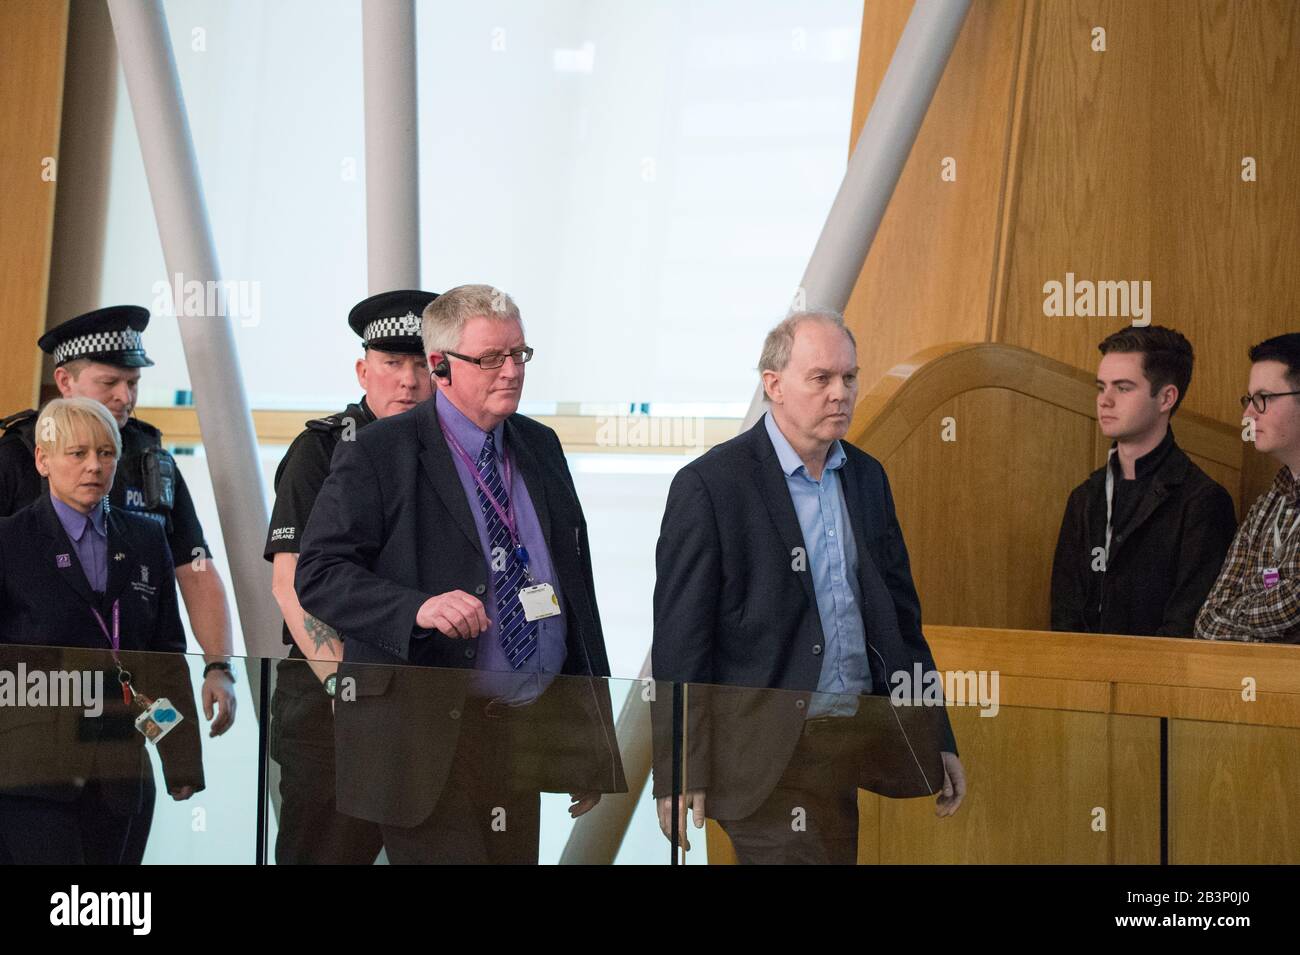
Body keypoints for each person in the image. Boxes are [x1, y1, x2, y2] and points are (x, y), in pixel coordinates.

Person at [295, 284, 625, 863]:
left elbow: (575, 593)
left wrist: (588, 740)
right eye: (491, 358)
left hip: (520, 737)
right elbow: (318, 573)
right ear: (442, 366)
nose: (511, 372)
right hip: (424, 742)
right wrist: (413, 609)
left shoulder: (540, 446)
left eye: (519, 355)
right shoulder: (380, 451)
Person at [651, 310, 964, 865]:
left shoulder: (866, 477)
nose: (840, 393)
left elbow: (900, 620)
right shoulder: (710, 486)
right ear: (773, 384)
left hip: (846, 746)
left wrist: (936, 731)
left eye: (849, 377)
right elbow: (682, 642)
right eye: (821, 378)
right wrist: (679, 768)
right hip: (761, 756)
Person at [0, 306, 236, 735]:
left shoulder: (154, 461)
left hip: (126, 701)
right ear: (65, 382)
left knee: (128, 788)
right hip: (32, 701)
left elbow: (196, 568)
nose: (125, 397)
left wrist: (219, 664)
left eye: (133, 384)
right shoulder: (16, 456)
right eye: (109, 383)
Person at [265, 289, 437, 864]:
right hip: (331, 697)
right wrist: (344, 684)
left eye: (421, 365)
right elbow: (290, 585)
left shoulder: (450, 455)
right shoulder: (322, 449)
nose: (407, 381)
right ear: (364, 370)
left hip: (420, 697)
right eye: (392, 364)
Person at [0, 398, 204, 864]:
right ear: (42, 460)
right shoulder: (9, 541)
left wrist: (181, 759)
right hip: (29, 774)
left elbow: (163, 655)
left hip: (119, 770)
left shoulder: (147, 537)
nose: (94, 466)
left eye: (106, 453)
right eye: (77, 454)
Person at [1051, 326, 1236, 636]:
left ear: (1166, 398)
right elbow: (1063, 618)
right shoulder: (1085, 497)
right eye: (1101, 387)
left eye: (1123, 388)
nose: (1104, 401)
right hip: (1078, 676)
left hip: (1157, 679)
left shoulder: (1204, 502)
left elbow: (1186, 627)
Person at [1196, 333, 1300, 641]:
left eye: (1263, 399)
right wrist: (1278, 635)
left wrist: (1240, 614)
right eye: (1248, 399)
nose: (1248, 414)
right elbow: (1208, 620)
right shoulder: (1268, 503)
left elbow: (1296, 600)